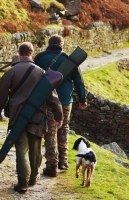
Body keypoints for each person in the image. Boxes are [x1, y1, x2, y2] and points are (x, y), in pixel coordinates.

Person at [0, 42, 63, 193]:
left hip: (17, 116)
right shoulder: (42, 73)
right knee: (35, 149)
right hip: (37, 117)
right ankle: (33, 179)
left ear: (19, 53)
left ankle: (23, 183)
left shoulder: (11, 72)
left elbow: (1, 95)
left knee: (21, 149)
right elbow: (53, 98)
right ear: (32, 53)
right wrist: (59, 116)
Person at [34, 34, 87, 177]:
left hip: (47, 100)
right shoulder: (69, 60)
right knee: (64, 128)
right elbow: (79, 82)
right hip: (65, 101)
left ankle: (51, 165)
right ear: (61, 44)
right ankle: (63, 161)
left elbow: (32, 77)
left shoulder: (39, 58)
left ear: (48, 43)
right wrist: (82, 99)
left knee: (50, 130)